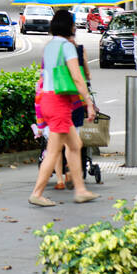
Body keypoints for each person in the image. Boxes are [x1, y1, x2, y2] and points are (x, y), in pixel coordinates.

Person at [29, 9, 98, 207]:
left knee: (75, 145)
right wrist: (88, 102)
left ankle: (81, 190)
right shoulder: (67, 47)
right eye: (74, 24)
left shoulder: (49, 46)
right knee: (53, 151)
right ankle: (37, 192)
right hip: (59, 103)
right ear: (69, 26)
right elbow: (77, 76)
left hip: (48, 100)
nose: (75, 27)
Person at [53, 35, 93, 190]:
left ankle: (59, 180)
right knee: (73, 140)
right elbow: (86, 75)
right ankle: (71, 169)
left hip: (58, 99)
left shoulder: (54, 51)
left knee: (55, 144)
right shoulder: (79, 49)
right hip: (75, 100)